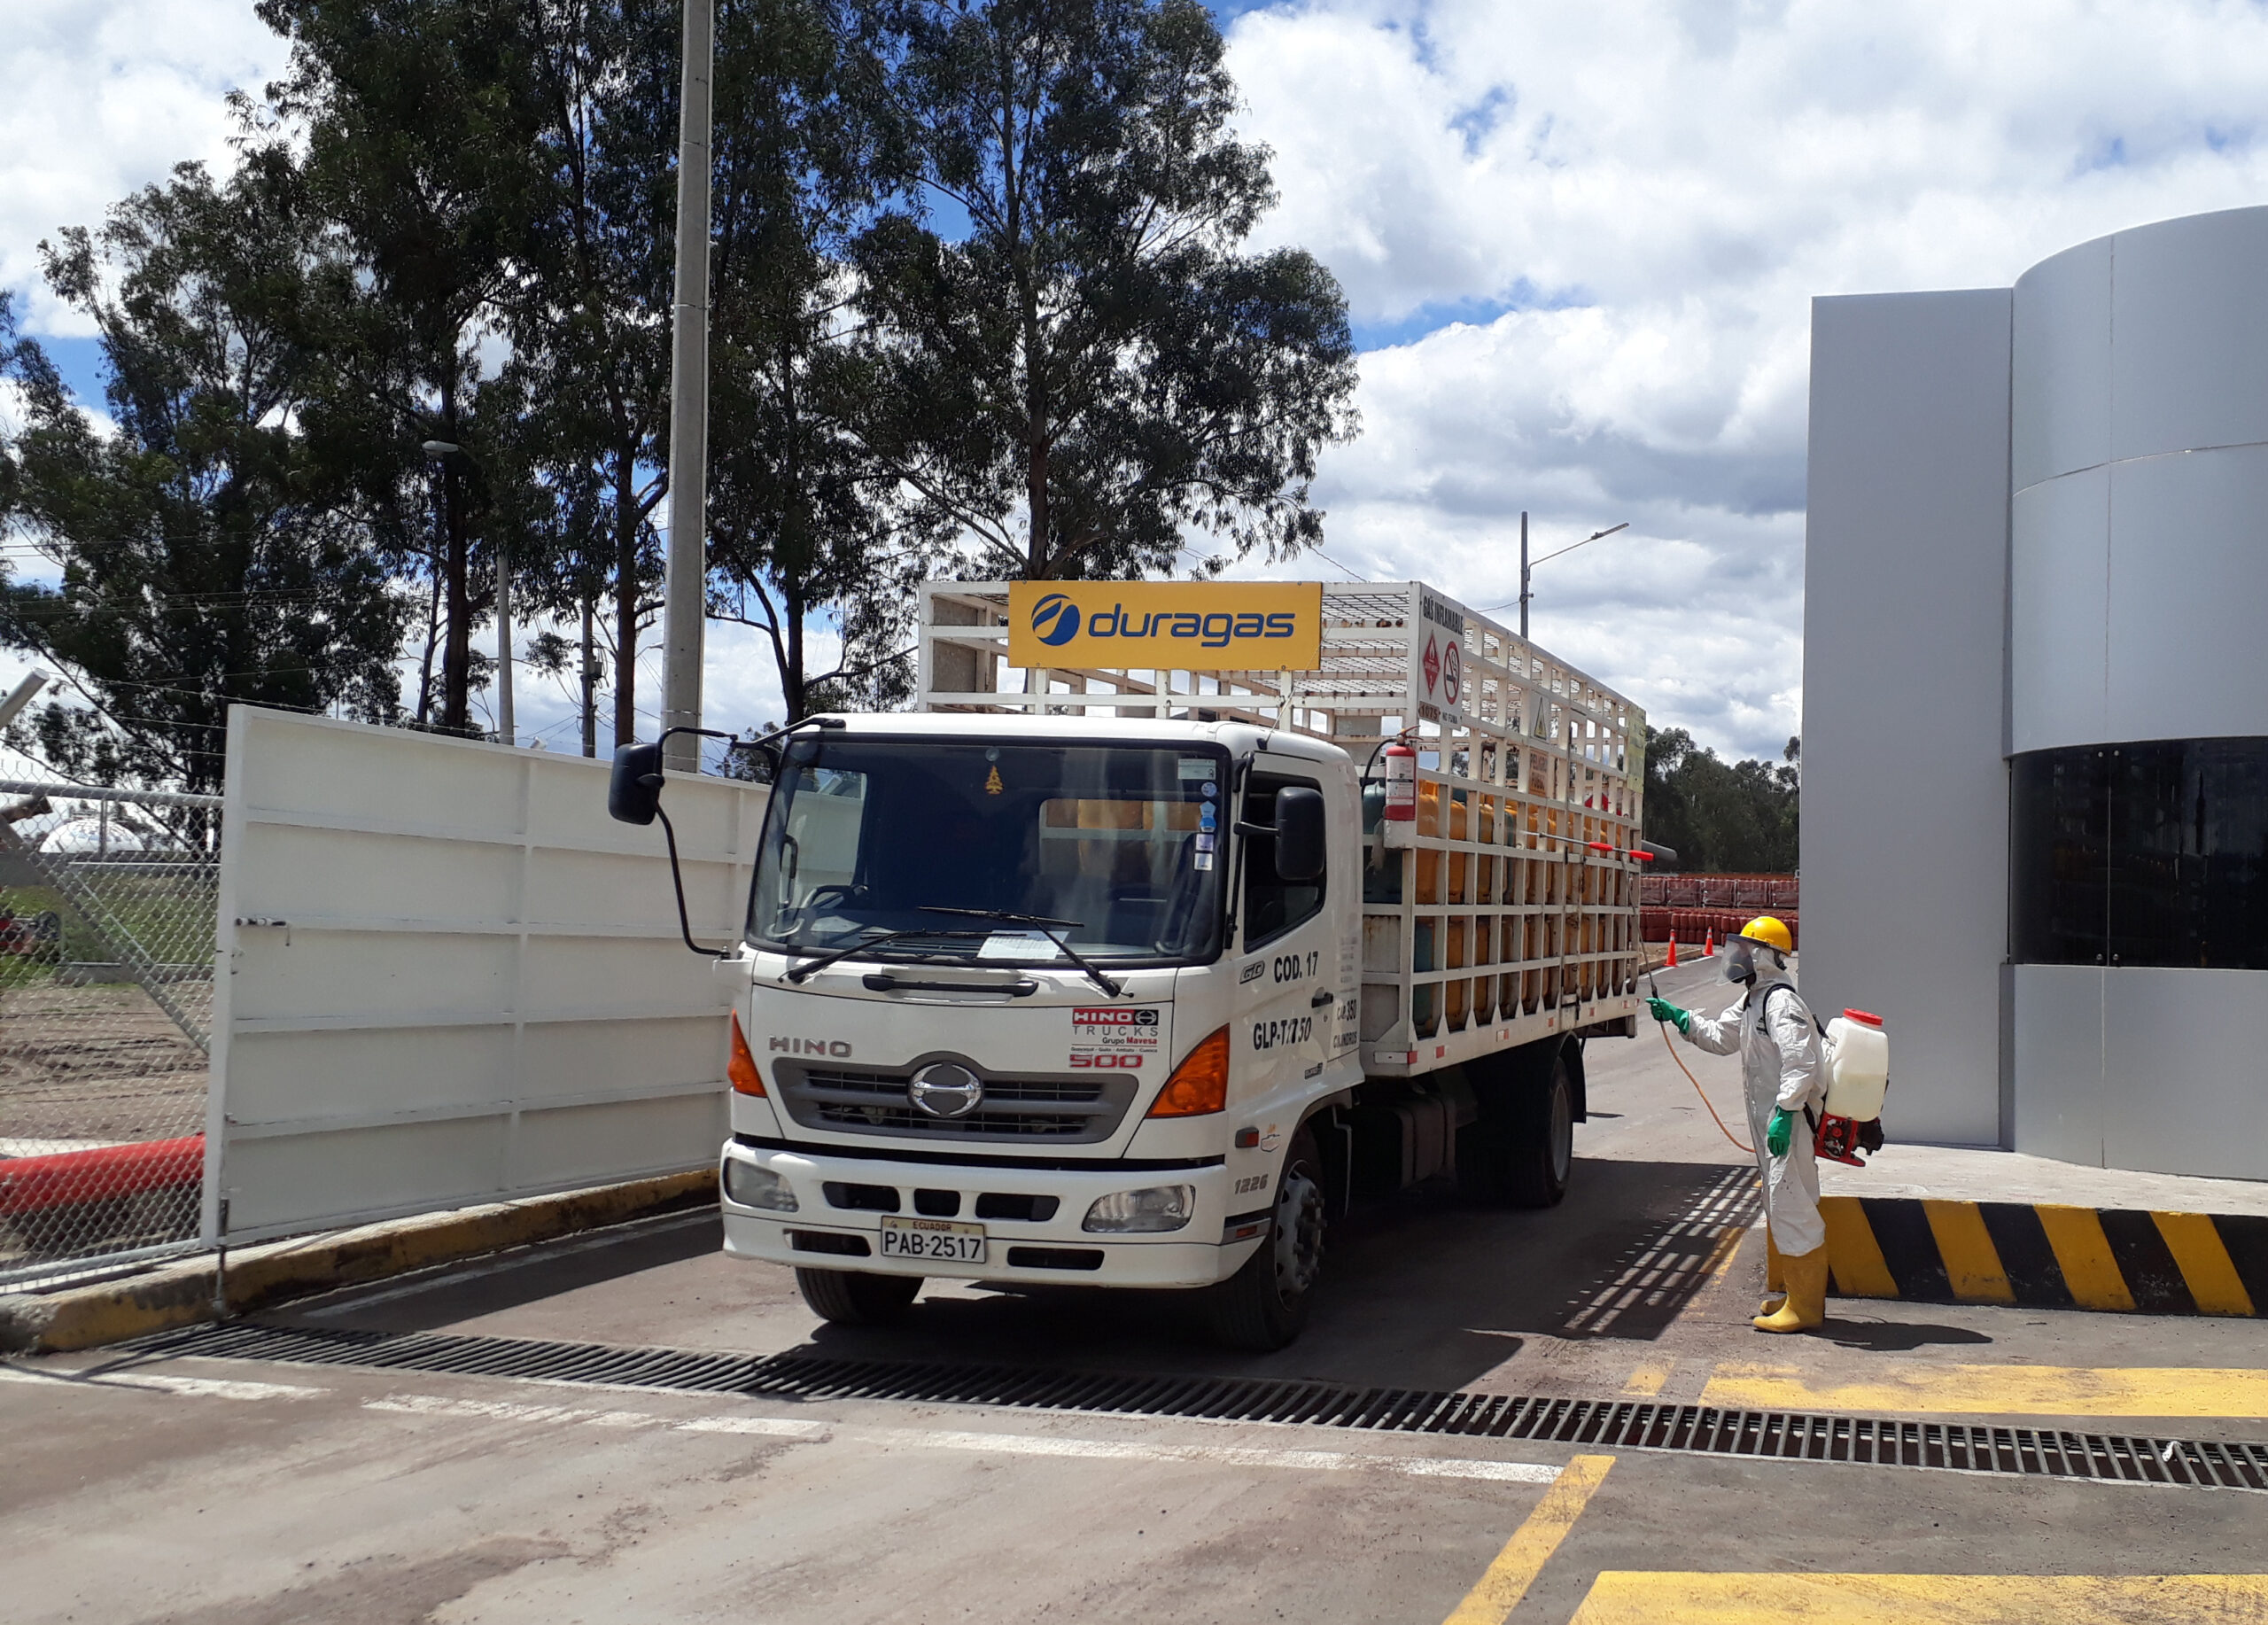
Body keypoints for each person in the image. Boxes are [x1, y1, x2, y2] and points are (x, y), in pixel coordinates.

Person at [1645, 916, 1830, 1333]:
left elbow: (1801, 1061)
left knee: (1792, 1208)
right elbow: (1721, 1037)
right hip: (1774, 1127)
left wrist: (1785, 1113)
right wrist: (1680, 1017)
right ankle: (1796, 1298)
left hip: (1790, 1124)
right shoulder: (1754, 1000)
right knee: (1780, 1205)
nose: (1739, 956)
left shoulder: (1780, 1003)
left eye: (1747, 949)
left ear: (1765, 956)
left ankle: (1806, 1310)